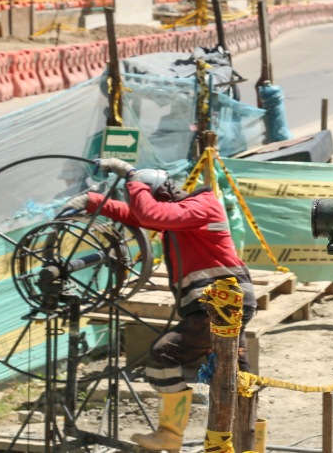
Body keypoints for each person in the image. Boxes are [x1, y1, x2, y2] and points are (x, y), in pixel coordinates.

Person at [64, 158, 256, 453]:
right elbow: (142, 216)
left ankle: (170, 434)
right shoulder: (184, 215)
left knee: (165, 354)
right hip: (220, 303)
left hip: (223, 302)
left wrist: (130, 176)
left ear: (160, 194)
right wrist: (93, 201)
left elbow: (149, 213)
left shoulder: (204, 205)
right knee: (237, 375)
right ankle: (248, 445)